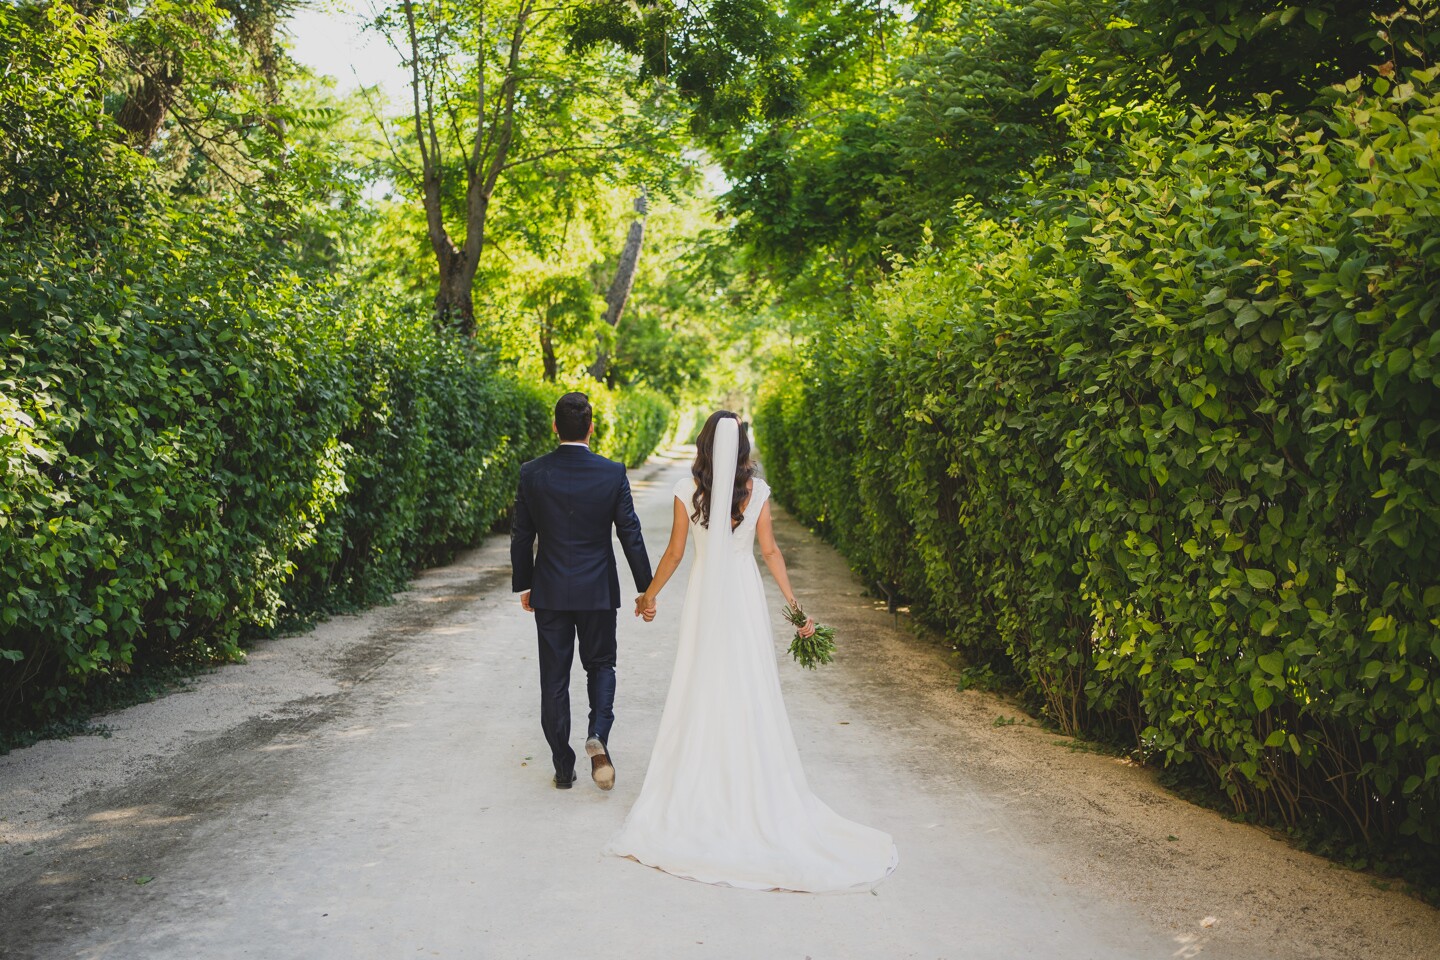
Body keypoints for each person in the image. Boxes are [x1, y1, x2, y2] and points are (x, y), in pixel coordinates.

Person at [607, 411, 898, 892]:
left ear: (703, 444)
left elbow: (677, 553)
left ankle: (697, 782)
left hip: (705, 594)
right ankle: (752, 781)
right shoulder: (757, 492)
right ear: (741, 446)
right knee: (747, 683)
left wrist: (649, 594)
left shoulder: (687, 489)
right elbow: (771, 553)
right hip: (742, 596)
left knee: (702, 680)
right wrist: (797, 610)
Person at [511, 392, 654, 791]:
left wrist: (526, 583)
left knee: (553, 680)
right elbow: (630, 533)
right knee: (601, 665)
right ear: (591, 428)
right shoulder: (611, 473)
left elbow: (523, 534)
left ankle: (562, 765)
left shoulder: (532, 473)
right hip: (597, 592)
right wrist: (647, 589)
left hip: (551, 591)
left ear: (555, 427)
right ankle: (598, 736)